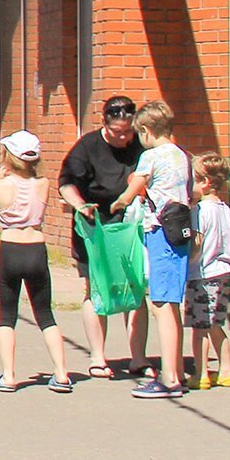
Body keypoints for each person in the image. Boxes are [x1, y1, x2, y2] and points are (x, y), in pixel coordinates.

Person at [56, 96, 146, 378]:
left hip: (129, 225)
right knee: (94, 288)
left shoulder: (140, 144)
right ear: (105, 124)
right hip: (94, 225)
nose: (124, 137)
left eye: (128, 131)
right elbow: (66, 183)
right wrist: (80, 205)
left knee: (135, 288)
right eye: (118, 132)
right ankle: (97, 357)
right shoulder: (87, 147)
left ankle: (139, 358)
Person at [0, 131, 72, 392]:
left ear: (8, 157)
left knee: (7, 316)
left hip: (10, 248)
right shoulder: (43, 184)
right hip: (36, 247)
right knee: (45, 314)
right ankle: (62, 374)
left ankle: (9, 376)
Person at [122, 99, 193, 400]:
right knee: (172, 305)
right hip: (181, 231)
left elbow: (129, 193)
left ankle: (169, 379)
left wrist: (116, 203)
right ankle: (177, 371)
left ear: (146, 131)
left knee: (160, 305)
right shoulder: (182, 155)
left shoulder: (150, 157)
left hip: (160, 232)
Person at [186, 152, 230, 389]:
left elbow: (196, 244)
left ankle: (201, 373)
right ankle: (226, 370)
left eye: (193, 180)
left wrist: (187, 263)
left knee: (199, 328)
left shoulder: (199, 211)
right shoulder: (226, 210)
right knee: (216, 325)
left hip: (202, 275)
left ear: (205, 182)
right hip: (223, 273)